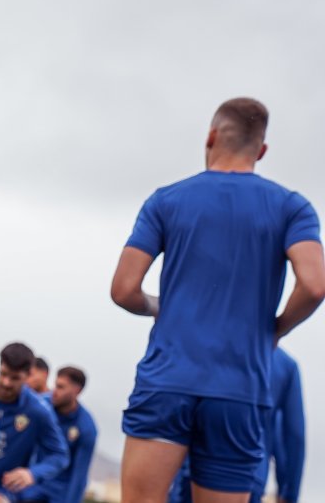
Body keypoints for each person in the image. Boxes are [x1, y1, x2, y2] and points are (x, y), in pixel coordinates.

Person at [111, 98, 325, 503]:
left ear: (211, 136)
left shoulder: (166, 200)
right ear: (261, 150)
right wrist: (275, 330)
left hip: (167, 381)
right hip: (239, 389)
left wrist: (157, 306)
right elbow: (314, 286)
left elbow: (123, 290)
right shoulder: (292, 207)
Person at [167, 347, 305, 503]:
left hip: (194, 471)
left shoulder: (207, 348)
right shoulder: (284, 365)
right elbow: (294, 435)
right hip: (250, 476)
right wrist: (289, 493)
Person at [0, 343, 68, 503]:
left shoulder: (38, 411)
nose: (6, 383)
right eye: (3, 374)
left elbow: (59, 455)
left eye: (15, 378)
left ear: (28, 375)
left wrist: (32, 473)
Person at [21, 367, 97, 503]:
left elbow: (79, 474)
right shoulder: (41, 406)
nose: (54, 391)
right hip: (31, 484)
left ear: (77, 391)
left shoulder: (86, 427)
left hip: (59, 494)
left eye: (61, 387)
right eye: (55, 385)